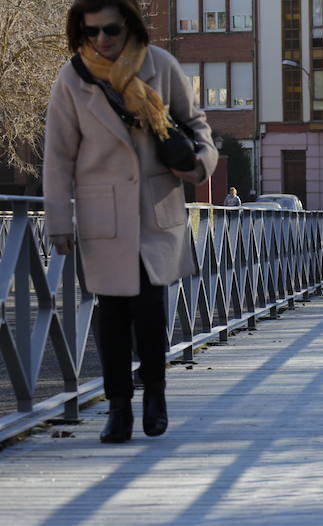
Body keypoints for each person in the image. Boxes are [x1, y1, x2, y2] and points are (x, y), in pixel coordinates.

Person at [43, 0, 218, 443]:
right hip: (104, 212)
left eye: (110, 29)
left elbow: (199, 128)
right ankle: (118, 408)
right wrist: (59, 219)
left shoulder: (160, 65)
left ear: (130, 27)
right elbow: (58, 156)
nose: (101, 39)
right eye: (91, 32)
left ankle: (155, 395)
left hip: (155, 205)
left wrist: (197, 165)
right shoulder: (72, 78)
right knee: (112, 315)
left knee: (149, 310)